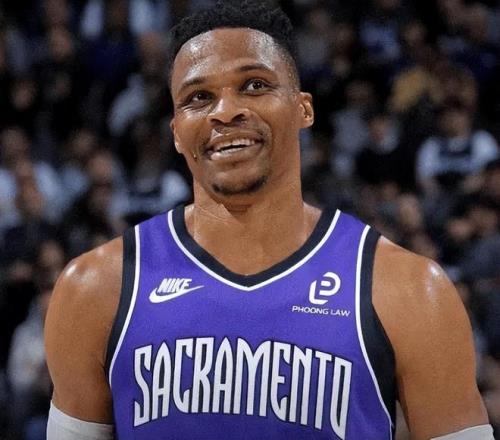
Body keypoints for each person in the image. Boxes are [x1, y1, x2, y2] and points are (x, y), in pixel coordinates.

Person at [44, 1, 493, 439]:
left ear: (303, 109)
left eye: (254, 85)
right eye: (199, 97)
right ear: (177, 132)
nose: (225, 111)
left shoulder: (408, 291)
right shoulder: (94, 289)